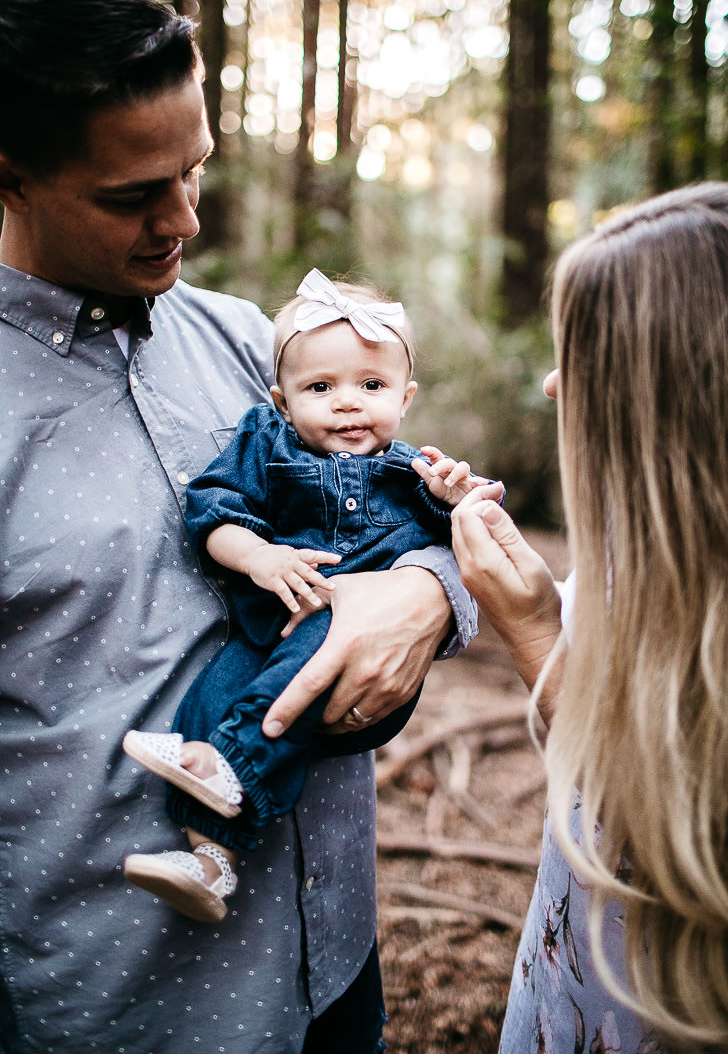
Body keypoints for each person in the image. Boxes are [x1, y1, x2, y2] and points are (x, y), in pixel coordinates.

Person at [0, 0, 476, 1054]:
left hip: (332, 961)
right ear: (10, 175)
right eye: (133, 194)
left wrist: (425, 593)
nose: (184, 219)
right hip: (124, 1004)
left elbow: (397, 504)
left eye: (195, 169)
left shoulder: (248, 343)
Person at [442, 184, 728, 1054]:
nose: (553, 383)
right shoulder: (631, 561)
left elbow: (686, 854)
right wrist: (536, 616)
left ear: (687, 397)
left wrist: (535, 638)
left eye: (586, 357)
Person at [122, 268, 498, 923]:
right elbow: (214, 514)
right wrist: (259, 555)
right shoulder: (263, 445)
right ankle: (209, 860)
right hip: (268, 632)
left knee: (275, 693)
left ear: (405, 397)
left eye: (372, 385)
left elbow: (473, 548)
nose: (348, 403)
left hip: (348, 647)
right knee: (211, 694)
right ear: (282, 399)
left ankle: (232, 762)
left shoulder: (414, 473)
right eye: (321, 387)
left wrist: (455, 500)